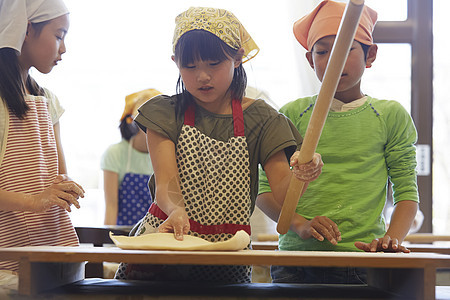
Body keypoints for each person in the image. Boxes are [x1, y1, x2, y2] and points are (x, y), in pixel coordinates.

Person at [114, 6, 323, 283]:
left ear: (237, 58)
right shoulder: (165, 113)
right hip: (167, 240)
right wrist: (176, 210)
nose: (202, 76)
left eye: (213, 64)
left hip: (228, 252)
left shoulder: (263, 119)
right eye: (190, 66)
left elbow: (285, 196)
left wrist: (303, 174)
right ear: (176, 61)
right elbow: (166, 184)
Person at [257, 0, 419, 284]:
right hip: (294, 262)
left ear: (371, 55)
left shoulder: (390, 116)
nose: (334, 60)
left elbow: (407, 194)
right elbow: (263, 190)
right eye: (322, 52)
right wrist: (300, 224)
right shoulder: (291, 114)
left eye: (347, 50)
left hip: (362, 260)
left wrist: (388, 241)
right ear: (310, 60)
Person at [0, 0, 85, 281]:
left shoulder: (48, 100)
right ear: (25, 29)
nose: (63, 48)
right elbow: (39, 197)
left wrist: (64, 187)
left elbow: (57, 175)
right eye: (59, 35)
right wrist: (35, 201)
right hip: (7, 262)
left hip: (52, 253)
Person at [101, 88, 161, 226]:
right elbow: (111, 206)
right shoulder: (115, 153)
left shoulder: (172, 156)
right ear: (135, 121)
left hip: (158, 237)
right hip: (123, 236)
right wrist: (107, 241)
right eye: (149, 121)